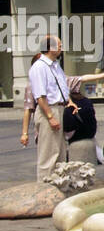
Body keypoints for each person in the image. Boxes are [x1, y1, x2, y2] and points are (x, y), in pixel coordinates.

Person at [21, 53, 104, 159]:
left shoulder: (58, 79)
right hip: (45, 118)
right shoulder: (32, 85)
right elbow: (28, 110)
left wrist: (102, 75)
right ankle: (48, 175)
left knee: (60, 153)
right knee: (48, 155)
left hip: (61, 119)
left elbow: (80, 79)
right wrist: (24, 133)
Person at [27, 36, 71, 183]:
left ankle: (59, 185)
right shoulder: (39, 67)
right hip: (48, 111)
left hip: (58, 109)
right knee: (48, 153)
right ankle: (44, 188)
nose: (61, 47)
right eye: (59, 44)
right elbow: (40, 96)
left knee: (59, 151)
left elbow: (62, 87)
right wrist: (51, 116)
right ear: (50, 48)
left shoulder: (55, 65)